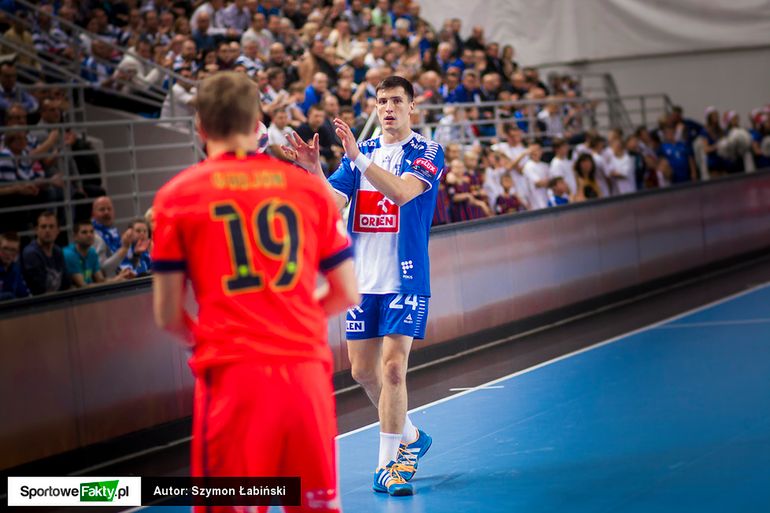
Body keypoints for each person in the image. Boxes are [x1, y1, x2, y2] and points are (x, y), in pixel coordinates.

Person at [151, 71, 358, 513]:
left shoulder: (177, 197)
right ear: (256, 123)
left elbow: (167, 313)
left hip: (233, 377)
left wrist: (211, 338)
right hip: (304, 374)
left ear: (200, 127)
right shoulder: (307, 190)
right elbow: (346, 291)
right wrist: (292, 319)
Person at [283, 75, 445, 497]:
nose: (388, 108)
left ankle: (387, 466)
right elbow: (329, 204)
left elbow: (404, 193)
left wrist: (356, 158)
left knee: (392, 369)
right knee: (362, 372)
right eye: (382, 101)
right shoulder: (364, 152)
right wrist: (313, 170)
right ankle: (411, 436)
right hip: (362, 280)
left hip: (405, 278)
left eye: (397, 101)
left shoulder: (427, 151)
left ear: (412, 107)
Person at [21, 211, 71, 295]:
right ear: (36, 230)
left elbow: (66, 283)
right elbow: (39, 289)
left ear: (58, 230)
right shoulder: (31, 253)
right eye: (43, 227)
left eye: (51, 226)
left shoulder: (57, 251)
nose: (47, 230)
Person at [0, 231, 30, 300]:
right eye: (5, 248)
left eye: (13, 250)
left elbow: (24, 294)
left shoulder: (16, 269)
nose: (8, 253)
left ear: (17, 252)